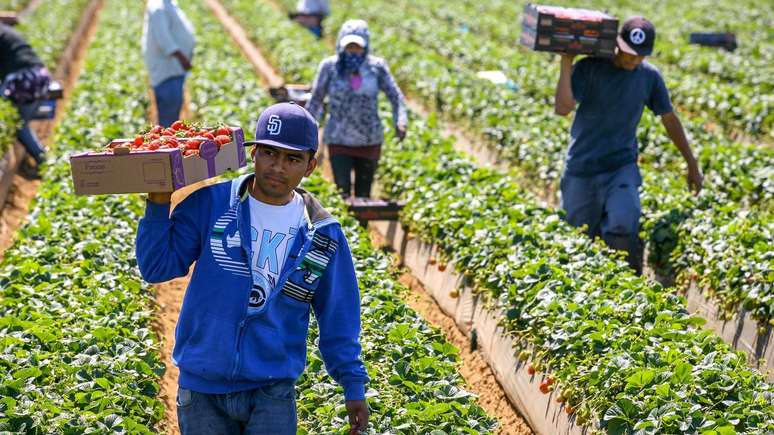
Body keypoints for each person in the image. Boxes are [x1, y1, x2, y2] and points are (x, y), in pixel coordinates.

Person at [136, 103, 370, 435]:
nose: (278, 167)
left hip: (272, 388)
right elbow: (157, 267)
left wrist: (353, 384)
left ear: (311, 166)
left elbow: (339, 317)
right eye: (270, 153)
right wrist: (158, 204)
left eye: (292, 159)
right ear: (253, 153)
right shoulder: (213, 205)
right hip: (203, 386)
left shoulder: (322, 236)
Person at [554, 16, 703, 274]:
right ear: (617, 43)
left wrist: (691, 162)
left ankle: (627, 287)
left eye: (640, 56)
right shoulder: (590, 67)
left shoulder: (649, 77)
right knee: (577, 239)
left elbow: (669, 119)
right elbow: (562, 108)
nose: (633, 60)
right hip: (582, 166)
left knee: (624, 224)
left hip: (620, 166)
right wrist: (566, 62)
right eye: (628, 53)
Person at [307, 19, 408, 199]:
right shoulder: (330, 67)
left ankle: (362, 225)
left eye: (357, 47)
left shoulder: (376, 68)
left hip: (369, 140)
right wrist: (305, 129)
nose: (353, 52)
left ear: (366, 46)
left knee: (363, 195)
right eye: (349, 47)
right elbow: (316, 100)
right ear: (340, 45)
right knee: (342, 191)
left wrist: (400, 121)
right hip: (339, 139)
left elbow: (396, 96)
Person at [0, 23, 51, 166]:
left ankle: (42, 161)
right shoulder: (5, 30)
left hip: (24, 80)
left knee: (18, 124)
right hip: (39, 76)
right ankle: (42, 158)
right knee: (20, 123)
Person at [142, 0, 195, 128]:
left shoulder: (165, 4)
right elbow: (163, 39)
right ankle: (167, 146)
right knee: (168, 121)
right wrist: (182, 58)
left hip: (173, 69)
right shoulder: (158, 7)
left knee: (172, 113)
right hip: (167, 71)